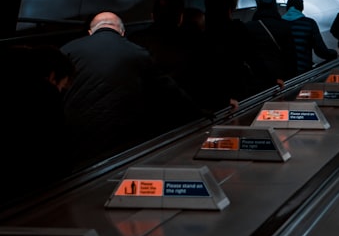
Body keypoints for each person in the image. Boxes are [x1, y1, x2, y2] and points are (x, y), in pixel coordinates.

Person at [60, 11, 205, 166]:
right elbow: (169, 89)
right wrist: (201, 112)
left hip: (77, 130)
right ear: (122, 32)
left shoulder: (68, 49)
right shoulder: (137, 52)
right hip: (122, 133)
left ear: (90, 32)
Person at [1, 44, 77, 195]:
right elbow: (53, 145)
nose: (60, 91)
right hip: (31, 184)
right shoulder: (45, 95)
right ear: (53, 75)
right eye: (62, 85)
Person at [245, 0, 298, 91]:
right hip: (280, 76)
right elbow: (291, 55)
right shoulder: (284, 26)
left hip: (257, 77)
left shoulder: (248, 27)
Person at [282, 0, 339, 75]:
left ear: (287, 8)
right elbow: (320, 50)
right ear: (302, 8)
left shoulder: (279, 23)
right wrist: (333, 53)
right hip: (303, 70)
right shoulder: (309, 23)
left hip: (283, 72)